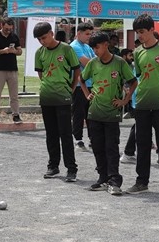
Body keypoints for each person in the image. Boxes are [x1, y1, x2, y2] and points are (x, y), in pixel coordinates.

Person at [127, 14, 159, 195]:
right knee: (142, 144)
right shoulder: (137, 52)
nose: (139, 35)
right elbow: (139, 76)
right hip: (141, 103)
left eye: (142, 31)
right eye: (137, 32)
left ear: (151, 30)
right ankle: (142, 182)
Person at [80, 30, 136, 195]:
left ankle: (114, 181)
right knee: (97, 147)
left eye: (97, 47)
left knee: (111, 147)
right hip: (94, 113)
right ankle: (102, 178)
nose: (95, 51)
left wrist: (125, 101)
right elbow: (81, 80)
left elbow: (133, 82)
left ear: (106, 45)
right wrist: (86, 94)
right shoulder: (92, 63)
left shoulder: (119, 63)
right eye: (93, 49)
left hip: (112, 114)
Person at [33, 21, 80, 181]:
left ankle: (71, 169)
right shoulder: (39, 53)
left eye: (44, 37)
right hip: (46, 97)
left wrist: (71, 89)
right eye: (39, 39)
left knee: (66, 133)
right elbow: (41, 74)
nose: (42, 41)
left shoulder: (66, 49)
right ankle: (53, 166)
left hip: (63, 97)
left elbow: (76, 70)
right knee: (51, 134)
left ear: (52, 33)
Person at [0, 17, 22, 122]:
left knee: (14, 95)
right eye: (6, 29)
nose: (8, 31)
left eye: (10, 29)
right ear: (1, 26)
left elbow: (20, 51)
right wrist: (3, 51)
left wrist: (14, 51)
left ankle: (16, 115)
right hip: (0, 69)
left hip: (13, 69)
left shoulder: (14, 36)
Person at [70, 21, 96, 149]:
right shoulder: (74, 47)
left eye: (90, 34)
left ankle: (92, 137)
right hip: (80, 85)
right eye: (87, 34)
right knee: (79, 113)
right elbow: (88, 63)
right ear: (78, 33)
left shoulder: (87, 47)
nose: (89, 36)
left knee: (90, 113)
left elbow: (95, 62)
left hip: (90, 84)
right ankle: (78, 138)